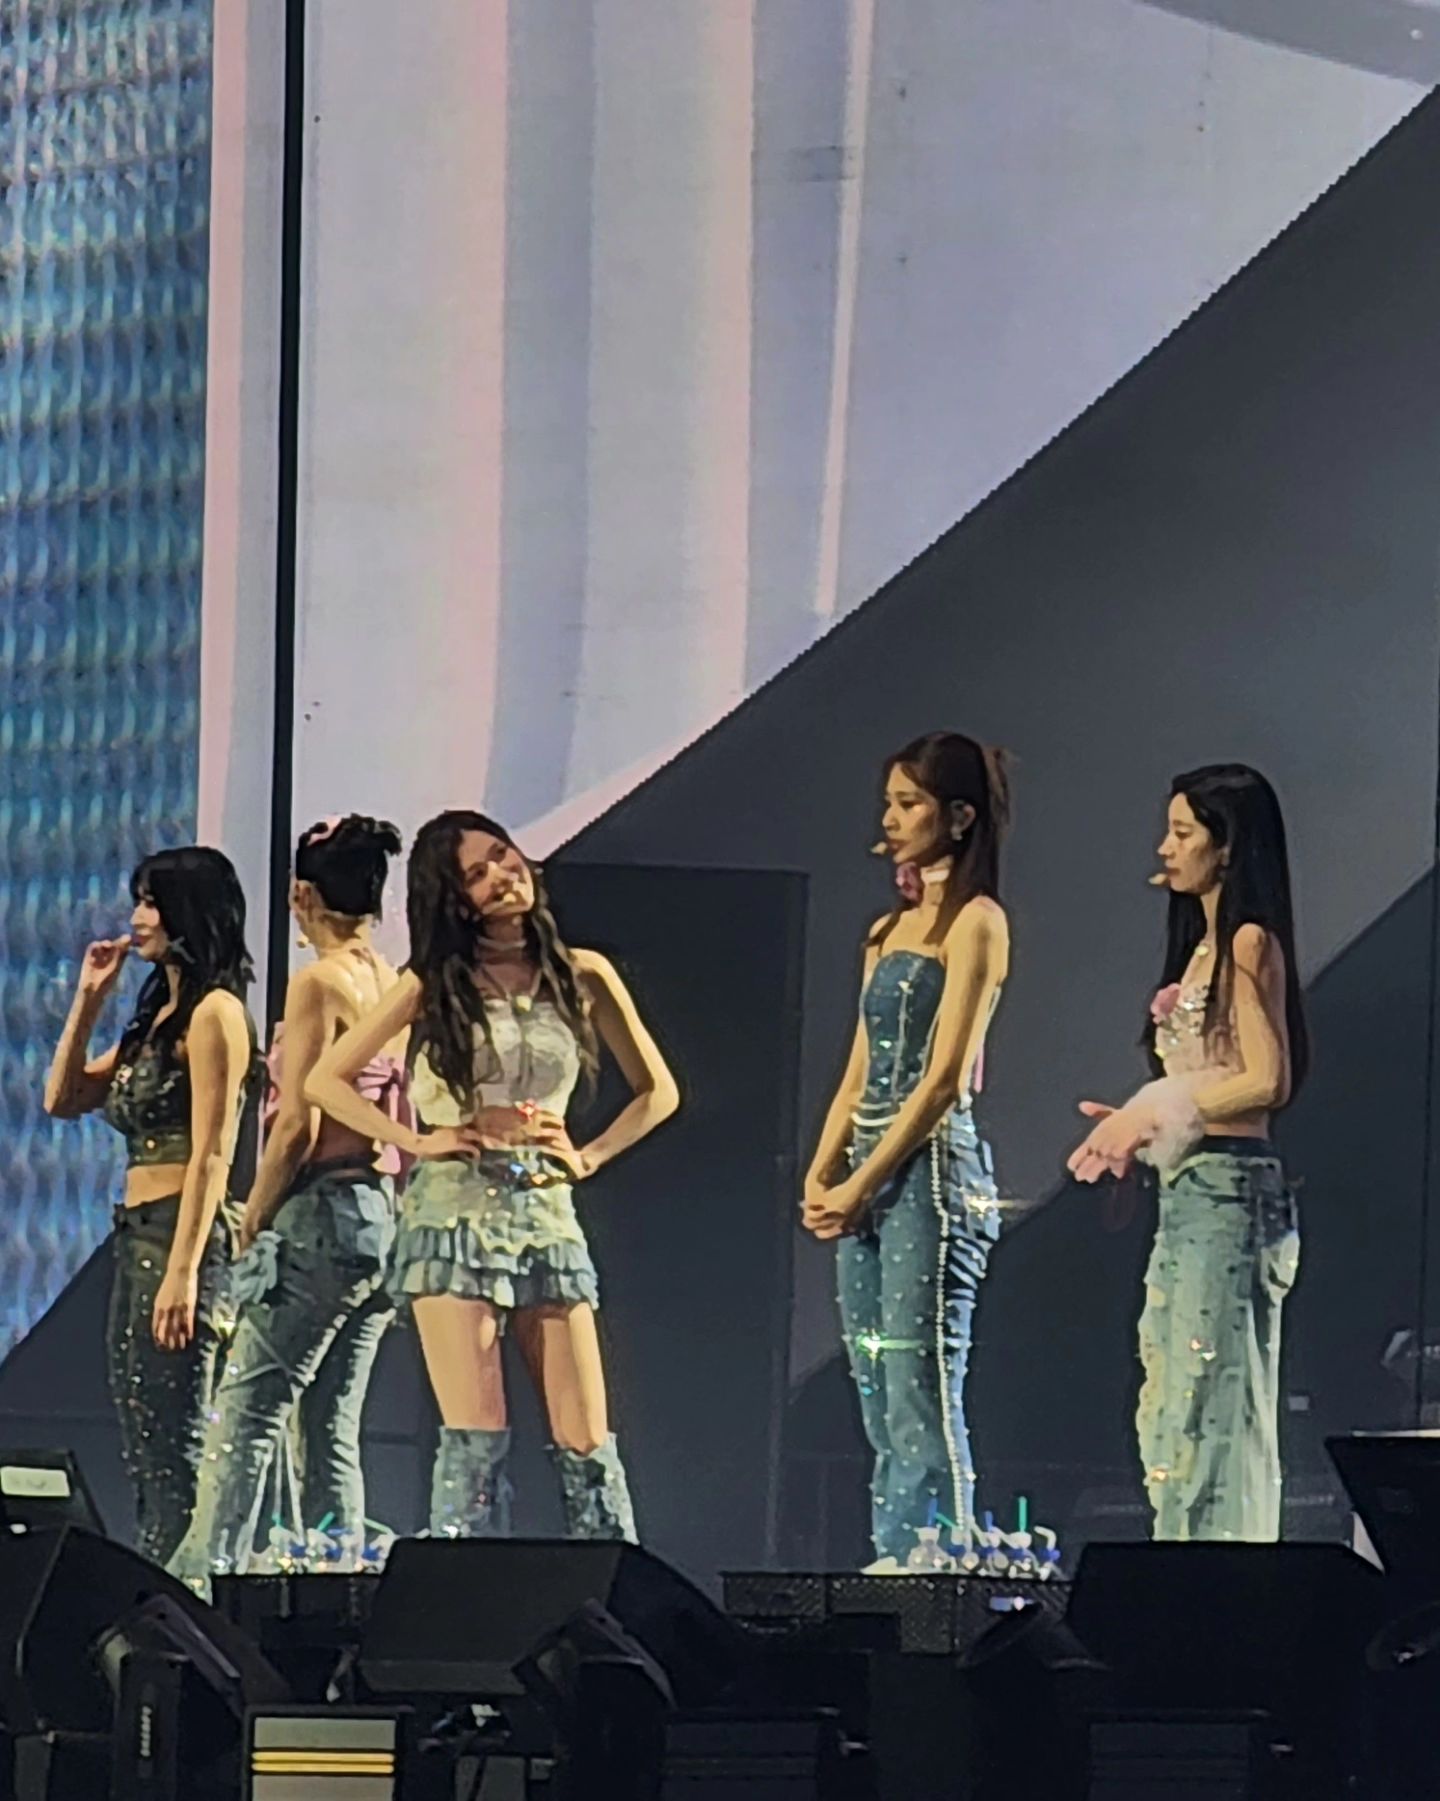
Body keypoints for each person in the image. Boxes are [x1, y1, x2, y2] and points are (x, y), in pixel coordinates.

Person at [306, 809, 679, 1540]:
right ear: (456, 900)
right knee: (477, 1440)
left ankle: (613, 1590)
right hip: (453, 1218)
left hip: (547, 1215)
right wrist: (420, 1140)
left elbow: (658, 1090)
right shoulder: (432, 983)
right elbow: (325, 1079)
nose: (503, 878)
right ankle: (469, 1594)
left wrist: (590, 1155)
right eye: (477, 874)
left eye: (503, 857)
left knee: (587, 1441)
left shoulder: (583, 973)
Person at [1068, 764, 1305, 1542]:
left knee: (1212, 1399)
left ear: (1226, 846)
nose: (1165, 849)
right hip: (1193, 1192)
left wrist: (1154, 1111)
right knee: (1172, 1407)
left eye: (1182, 833)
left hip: (1230, 1195)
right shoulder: (1203, 948)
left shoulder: (1247, 941)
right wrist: (1140, 1121)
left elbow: (1267, 1080)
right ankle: (1188, 1565)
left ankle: (1220, 1577)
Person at [169, 816, 408, 1587]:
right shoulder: (389, 978)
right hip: (379, 1216)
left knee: (247, 1412)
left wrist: (255, 1213)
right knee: (330, 1424)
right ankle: (338, 1596)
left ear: (301, 894)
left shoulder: (319, 983)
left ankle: (206, 1590)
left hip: (320, 1212)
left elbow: (298, 1122)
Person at [802, 733, 1010, 1572]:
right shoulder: (888, 929)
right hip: (866, 1168)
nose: (889, 820)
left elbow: (945, 1078)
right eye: (888, 803)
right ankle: (895, 1557)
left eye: (908, 803)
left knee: (922, 1377)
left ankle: (939, 1567)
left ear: (958, 817)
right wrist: (823, 1169)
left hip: (928, 1170)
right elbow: (859, 1067)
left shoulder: (977, 921)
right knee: (875, 1379)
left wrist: (861, 1180)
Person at [44, 847, 258, 1565]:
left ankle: (187, 1598)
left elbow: (213, 1153)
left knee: (174, 1445)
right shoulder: (157, 1018)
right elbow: (63, 1098)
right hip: (137, 1236)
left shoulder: (216, 1013)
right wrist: (90, 998)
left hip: (177, 1238)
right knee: (147, 1442)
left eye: (152, 902)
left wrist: (184, 1271)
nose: (138, 918)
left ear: (190, 913)